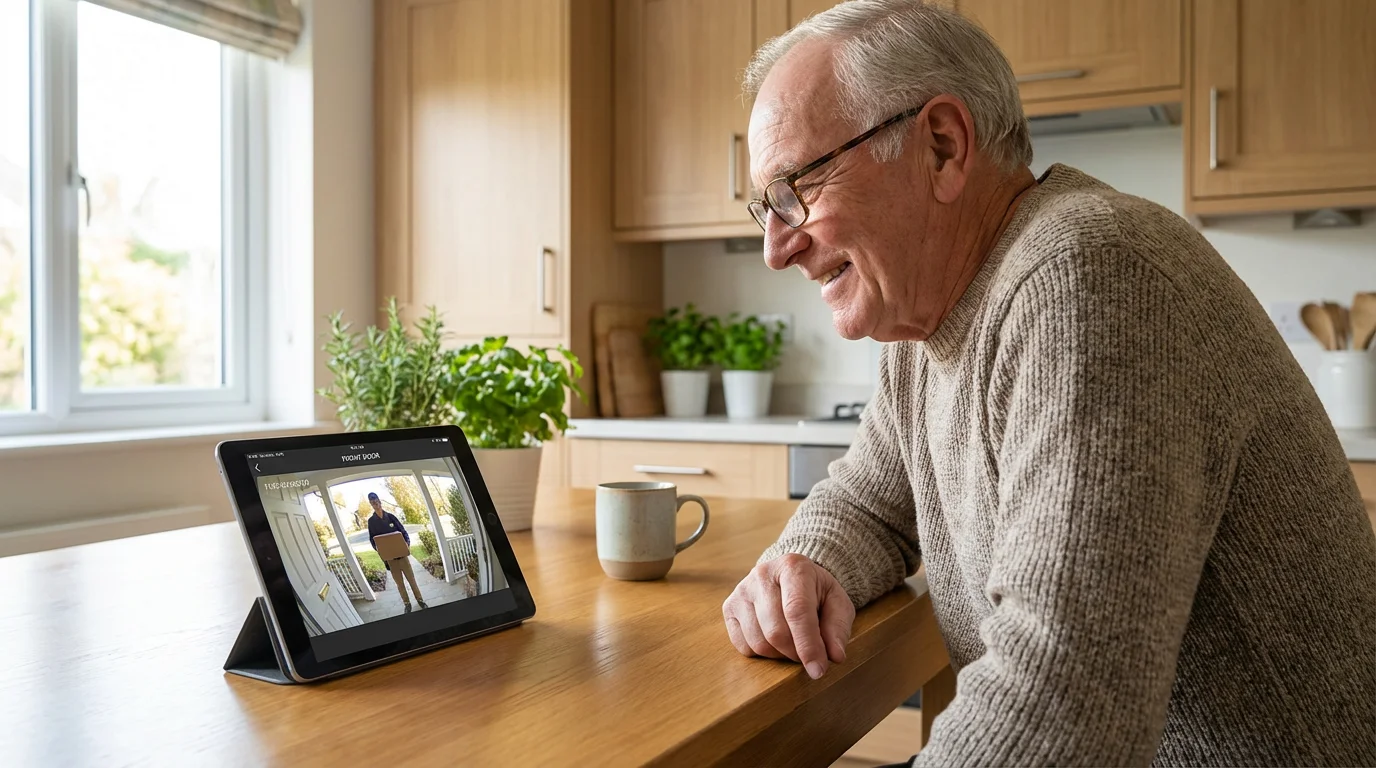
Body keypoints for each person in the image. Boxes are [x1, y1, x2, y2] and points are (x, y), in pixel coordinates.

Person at [720, 2, 1376, 765]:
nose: (776, 248)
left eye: (798, 187)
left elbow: (1059, 705)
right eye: (767, 206)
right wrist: (805, 565)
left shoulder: (1090, 274)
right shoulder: (926, 322)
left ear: (941, 146)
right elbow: (870, 501)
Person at [366, 492, 428, 613]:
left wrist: (407, 544)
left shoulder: (391, 517)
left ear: (380, 501)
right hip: (390, 560)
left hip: (402, 556)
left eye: (377, 501)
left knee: (412, 580)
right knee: (400, 584)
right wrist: (378, 549)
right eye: (373, 503)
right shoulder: (371, 522)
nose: (376, 504)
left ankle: (420, 600)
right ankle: (407, 604)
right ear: (371, 504)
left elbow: (404, 532)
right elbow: (372, 539)